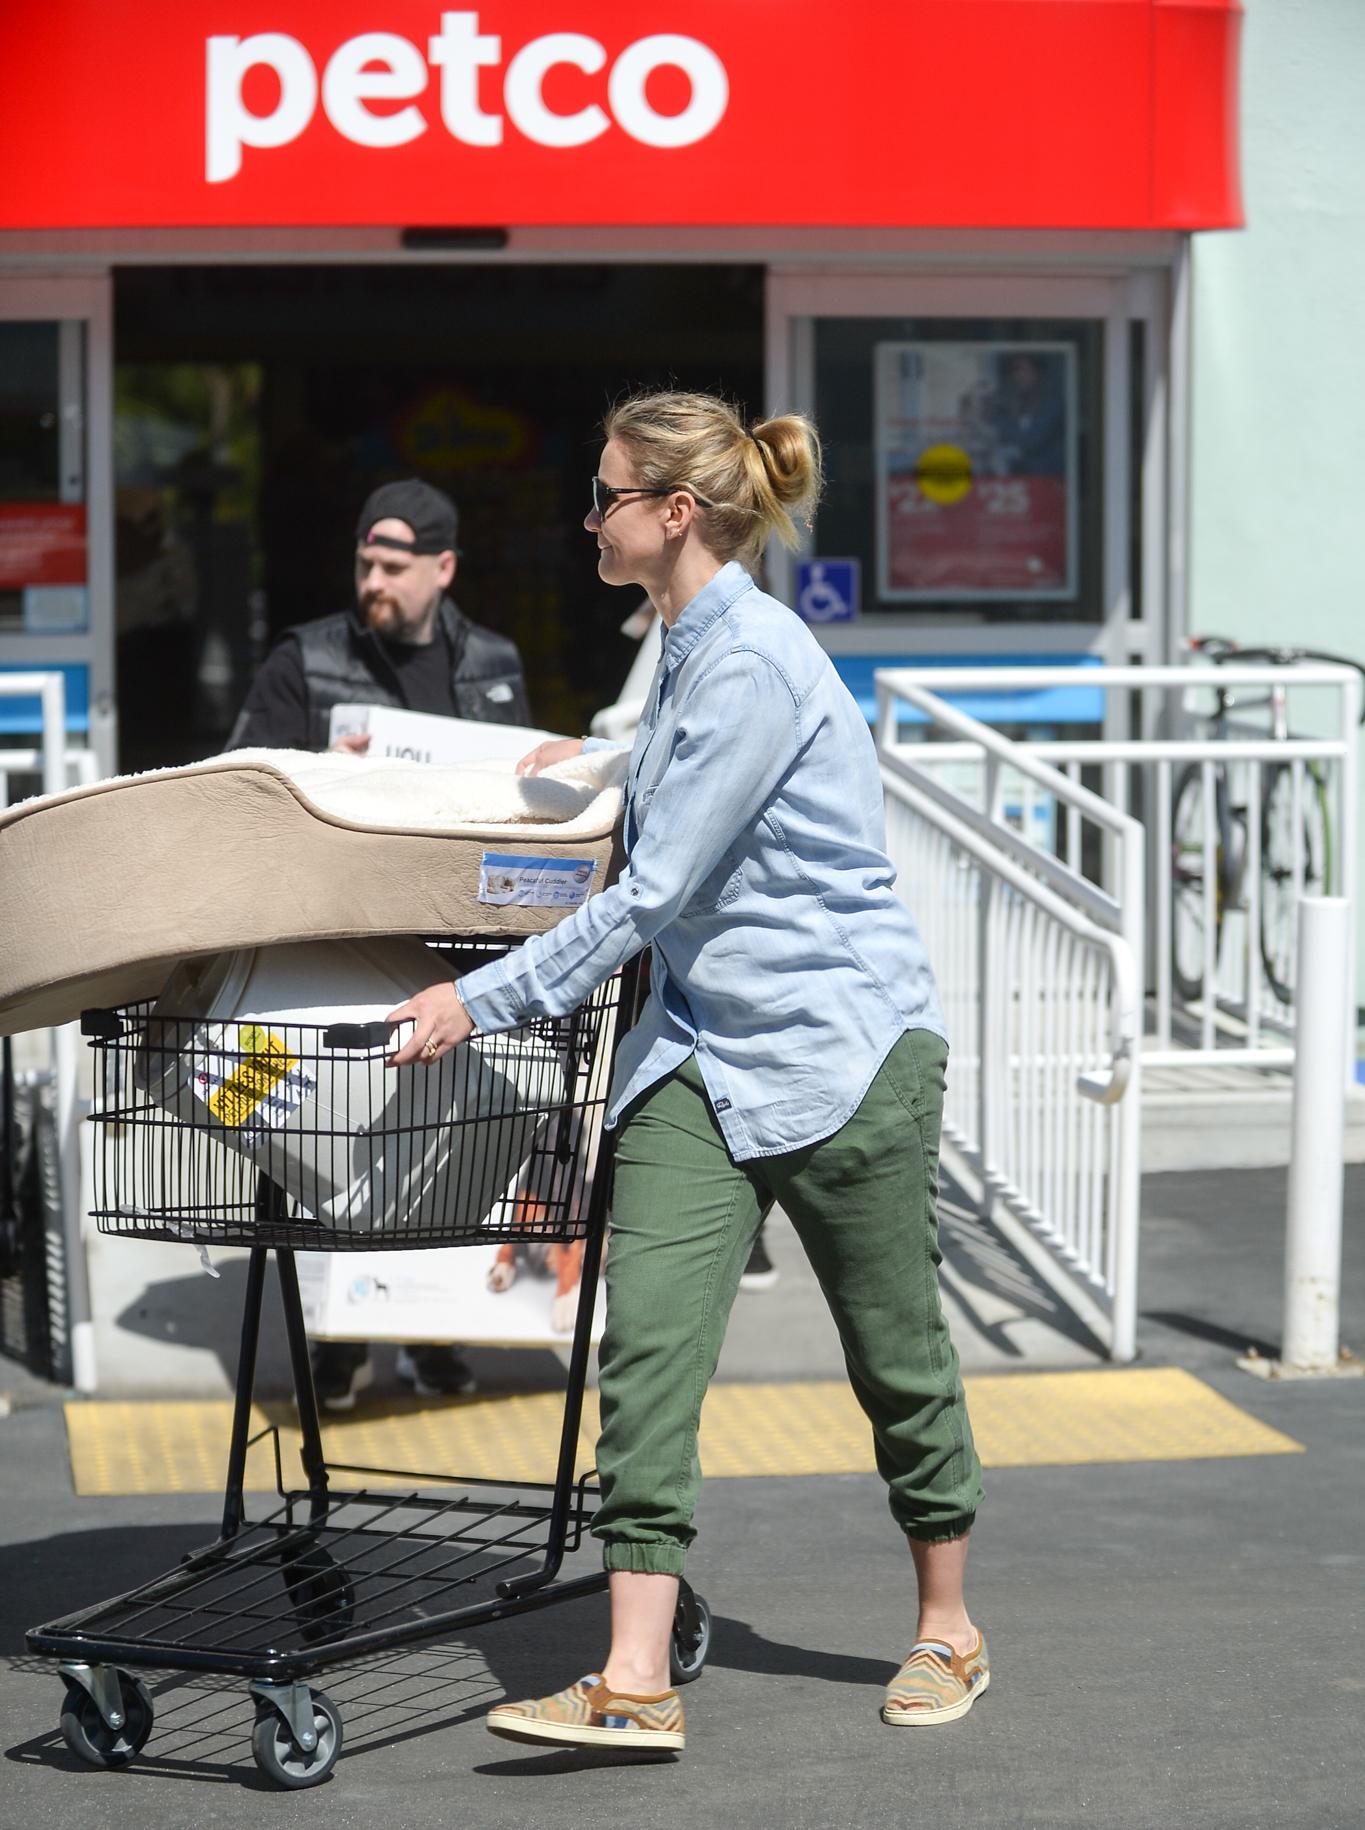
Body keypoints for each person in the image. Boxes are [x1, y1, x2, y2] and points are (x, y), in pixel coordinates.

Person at [385, 392, 986, 1754]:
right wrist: (590, 757)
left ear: (674, 512)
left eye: (601, 496)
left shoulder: (754, 658)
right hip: (701, 1055)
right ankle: (634, 1673)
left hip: (843, 1052)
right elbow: (689, 778)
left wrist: (474, 1001)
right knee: (646, 1353)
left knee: (896, 1359)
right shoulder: (679, 646)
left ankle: (948, 1623)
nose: (585, 517)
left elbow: (654, 887)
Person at [227, 477, 532, 1410]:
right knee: (329, 1140)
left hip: (452, 949)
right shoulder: (305, 661)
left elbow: (521, 803)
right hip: (336, 942)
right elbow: (239, 783)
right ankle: (339, 1343)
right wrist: (321, 772)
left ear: (442, 569)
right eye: (366, 561)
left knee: (444, 1138)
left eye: (394, 566)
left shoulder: (492, 663)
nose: (375, 579)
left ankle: (439, 1328)